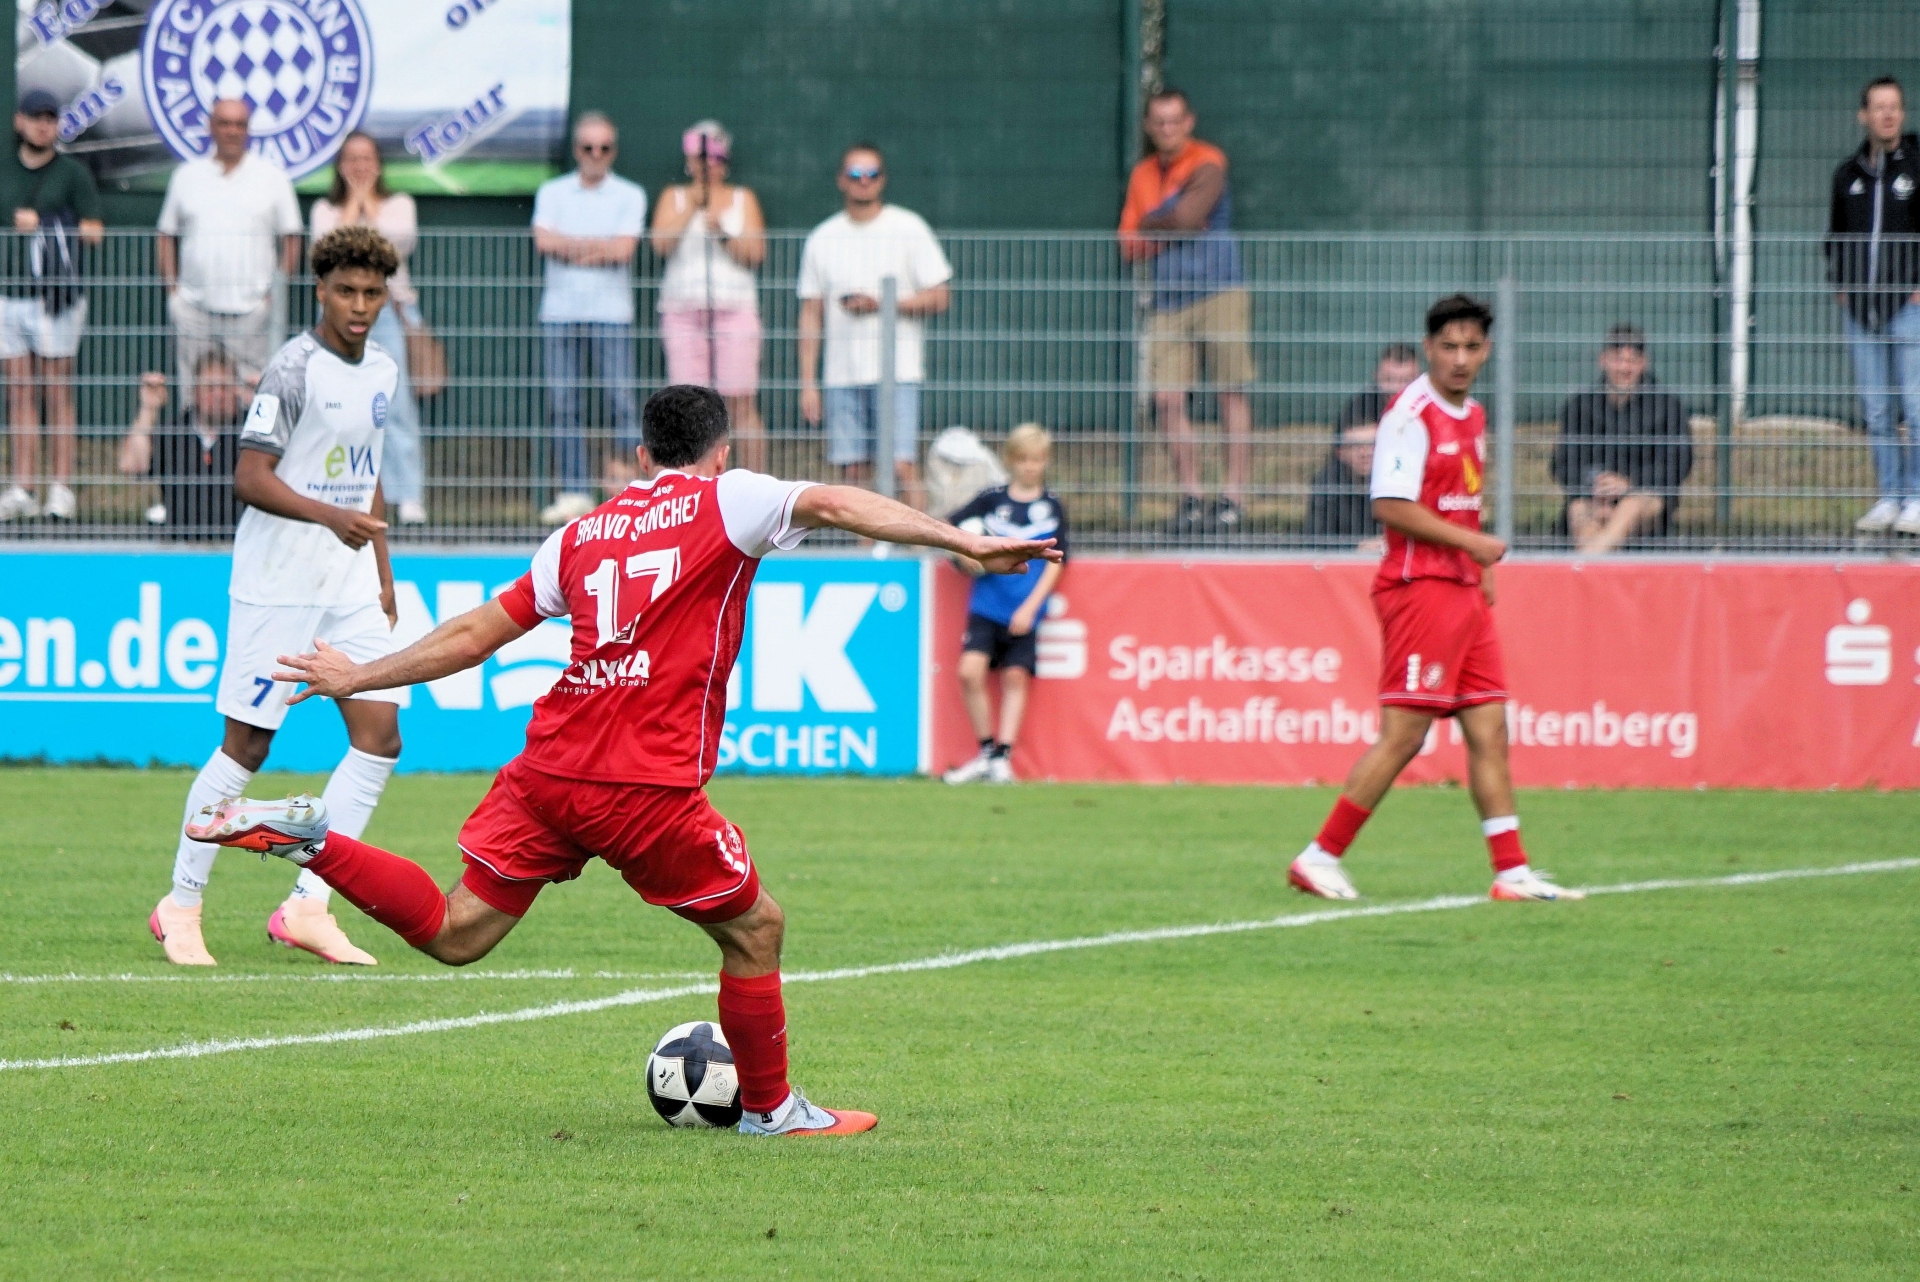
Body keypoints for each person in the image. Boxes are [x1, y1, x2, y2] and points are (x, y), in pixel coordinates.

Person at [186, 384, 1062, 1137]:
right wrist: (965, 542)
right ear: (723, 453)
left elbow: (474, 634)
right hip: (644, 784)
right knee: (756, 930)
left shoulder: (582, 534)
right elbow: (834, 503)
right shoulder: (730, 498)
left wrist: (359, 674)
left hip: (552, 770)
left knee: (457, 933)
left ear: (642, 455)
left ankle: (314, 841)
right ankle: (770, 1110)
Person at [148, 226, 404, 969]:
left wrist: (383, 567)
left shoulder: (383, 369)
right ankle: (181, 903)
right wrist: (332, 519)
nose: (360, 306)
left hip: (348, 580)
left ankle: (307, 906)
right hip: (279, 580)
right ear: (320, 291)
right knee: (249, 746)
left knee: (380, 737)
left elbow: (366, 470)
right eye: (346, 291)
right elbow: (250, 477)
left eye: (372, 292)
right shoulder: (292, 370)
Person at [1287, 294, 1581, 905]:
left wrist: (1478, 566)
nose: (1460, 358)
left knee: (1489, 727)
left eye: (1471, 347)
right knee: (1404, 735)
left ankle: (1512, 872)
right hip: (1419, 588)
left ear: (1487, 351)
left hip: (1462, 588)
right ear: (1429, 349)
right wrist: (1473, 544)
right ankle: (1319, 857)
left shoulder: (1473, 415)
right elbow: (1390, 505)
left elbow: (1461, 501)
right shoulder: (1410, 415)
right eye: (1449, 347)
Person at [1118, 89, 1254, 535]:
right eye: (1159, 121)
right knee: (1168, 399)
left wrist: (1156, 223)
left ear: (1189, 121)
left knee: (1230, 391)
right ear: (1148, 126)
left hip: (1220, 290)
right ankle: (1192, 497)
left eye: (1174, 120)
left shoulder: (1207, 160)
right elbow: (1130, 241)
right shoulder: (1142, 174)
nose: (1167, 129)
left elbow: (1187, 217)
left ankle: (1233, 498)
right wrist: (1170, 223)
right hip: (1168, 298)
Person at [797, 143, 952, 508]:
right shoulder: (822, 237)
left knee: (901, 465)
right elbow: (810, 312)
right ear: (841, 180)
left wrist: (883, 303)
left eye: (872, 173)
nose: (863, 181)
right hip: (842, 373)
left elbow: (940, 296)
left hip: (897, 370)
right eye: (855, 173)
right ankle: (866, 544)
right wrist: (808, 383)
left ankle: (919, 541)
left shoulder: (909, 228)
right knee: (854, 473)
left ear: (882, 180)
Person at [533, 111, 647, 525]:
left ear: (613, 151)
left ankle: (629, 490)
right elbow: (544, 242)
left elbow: (623, 251)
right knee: (563, 404)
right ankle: (574, 492)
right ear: (576, 150)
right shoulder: (552, 192)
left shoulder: (630, 194)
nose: (596, 154)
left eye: (604, 148)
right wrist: (599, 247)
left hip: (612, 314)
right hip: (559, 312)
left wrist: (571, 247)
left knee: (621, 402)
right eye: (588, 147)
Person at [312, 131, 429, 525]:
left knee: (396, 404)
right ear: (339, 166)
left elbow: (393, 249)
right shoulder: (325, 209)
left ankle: (407, 494)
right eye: (351, 159)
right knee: (336, 404)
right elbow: (328, 251)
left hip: (389, 312)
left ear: (378, 165)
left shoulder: (400, 205)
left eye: (366, 159)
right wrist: (354, 203)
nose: (359, 167)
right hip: (337, 318)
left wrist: (367, 205)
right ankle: (340, 491)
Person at [942, 424, 1069, 785]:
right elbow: (949, 528)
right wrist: (963, 554)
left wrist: (1031, 607)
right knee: (969, 672)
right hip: (986, 605)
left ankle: (1003, 758)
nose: (1030, 466)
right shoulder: (991, 500)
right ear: (1011, 460)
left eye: (1037, 459)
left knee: (1015, 676)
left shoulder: (1052, 506)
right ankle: (986, 751)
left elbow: (1059, 562)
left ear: (1045, 461)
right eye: (1023, 459)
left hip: (1023, 609)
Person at [0, 88, 103, 522]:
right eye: (35, 117)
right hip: (8, 296)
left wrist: (43, 224)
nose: (43, 126)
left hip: (55, 298)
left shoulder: (73, 174)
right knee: (19, 390)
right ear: (19, 122)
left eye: (50, 118)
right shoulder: (5, 170)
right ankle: (22, 486)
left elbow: (94, 231)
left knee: (56, 390)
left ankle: (61, 488)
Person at [156, 97, 303, 399]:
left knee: (254, 399)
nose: (232, 131)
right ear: (210, 127)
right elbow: (165, 235)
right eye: (224, 123)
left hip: (252, 314)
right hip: (194, 310)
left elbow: (292, 238)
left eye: (239, 124)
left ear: (248, 129)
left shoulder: (273, 177)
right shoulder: (186, 176)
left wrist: (271, 297)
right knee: (193, 398)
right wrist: (174, 294)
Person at [1826, 76, 1920, 535]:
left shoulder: (1917, 168)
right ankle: (1889, 496)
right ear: (1863, 115)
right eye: (1879, 107)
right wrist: (1841, 285)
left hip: (1910, 306)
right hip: (1861, 312)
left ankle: (1916, 499)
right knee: (1878, 410)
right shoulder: (1848, 174)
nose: (1888, 114)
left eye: (1894, 106)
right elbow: (1836, 235)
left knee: (1916, 406)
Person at [650, 120, 767, 471]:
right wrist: (692, 207)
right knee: (688, 404)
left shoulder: (743, 199)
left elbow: (755, 253)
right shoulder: (674, 197)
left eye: (714, 159)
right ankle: (694, 486)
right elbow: (660, 244)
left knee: (739, 401)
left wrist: (721, 231)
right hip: (683, 310)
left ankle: (754, 486)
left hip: (734, 308)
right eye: (700, 159)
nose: (707, 166)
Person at [1550, 324, 1694, 554]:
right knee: (1579, 512)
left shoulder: (1667, 406)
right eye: (1618, 360)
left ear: (1643, 363)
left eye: (1632, 361)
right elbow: (1563, 462)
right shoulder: (1580, 405)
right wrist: (1595, 486)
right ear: (1603, 360)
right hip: (1591, 497)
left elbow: (1677, 463)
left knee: (1629, 507)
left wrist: (1629, 485)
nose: (1624, 368)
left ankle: (1588, 565)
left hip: (1645, 499)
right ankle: (1596, 565)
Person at [115, 355, 252, 538]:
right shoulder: (175, 431)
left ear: (236, 391)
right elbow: (132, 465)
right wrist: (148, 409)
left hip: (239, 540)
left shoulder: (250, 431)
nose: (218, 395)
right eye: (210, 388)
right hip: (180, 542)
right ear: (195, 392)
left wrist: (263, 406)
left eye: (225, 388)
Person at [1304, 346, 1421, 547]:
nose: (1396, 388)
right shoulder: (1361, 405)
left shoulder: (1428, 409)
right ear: (1376, 377)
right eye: (1389, 380)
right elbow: (1343, 446)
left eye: (1405, 381)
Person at [1303, 424, 1380, 548]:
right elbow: (1317, 539)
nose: (1365, 453)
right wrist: (1356, 549)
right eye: (1355, 446)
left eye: (1372, 445)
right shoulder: (1327, 484)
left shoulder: (1398, 481)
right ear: (1340, 452)